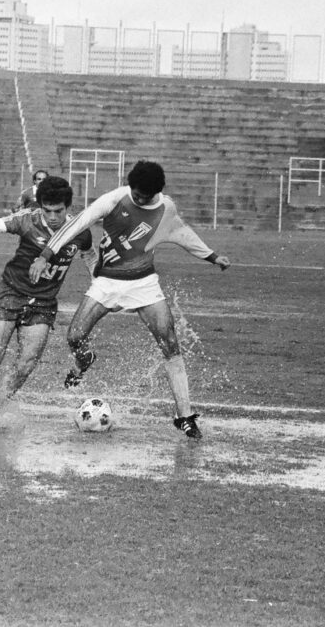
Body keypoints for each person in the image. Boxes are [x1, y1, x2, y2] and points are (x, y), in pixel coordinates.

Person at [29, 160, 231, 440]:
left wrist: (211, 256)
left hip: (144, 282)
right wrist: (44, 255)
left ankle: (184, 416)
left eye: (144, 196)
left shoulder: (166, 208)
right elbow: (77, 225)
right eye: (136, 192)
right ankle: (82, 363)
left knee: (170, 343)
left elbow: (182, 233)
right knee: (75, 336)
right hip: (107, 281)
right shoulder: (114, 199)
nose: (138, 198)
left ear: (156, 193)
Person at [0, 176, 94, 423]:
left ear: (68, 208)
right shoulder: (27, 220)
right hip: (11, 293)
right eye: (47, 210)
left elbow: (89, 255)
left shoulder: (79, 231)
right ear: (40, 206)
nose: (53, 216)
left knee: (27, 362)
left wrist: (99, 280)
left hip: (43, 303)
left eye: (59, 211)